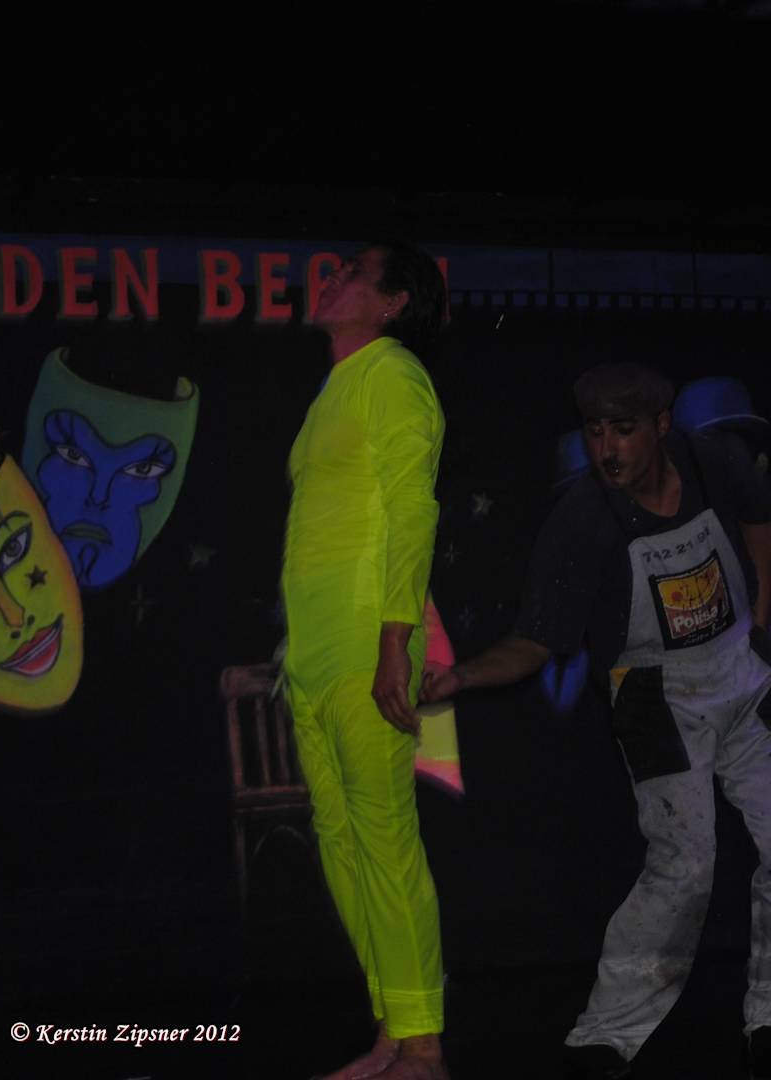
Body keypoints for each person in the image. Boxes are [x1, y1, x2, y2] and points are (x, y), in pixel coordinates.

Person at [422, 362, 771, 1080]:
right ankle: (606, 1035)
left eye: (623, 430)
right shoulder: (581, 521)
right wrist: (460, 677)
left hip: (744, 679)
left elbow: (761, 514)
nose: (607, 449)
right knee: (684, 867)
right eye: (595, 431)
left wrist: (758, 619)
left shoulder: (711, 462)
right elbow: (535, 641)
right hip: (651, 697)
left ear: (661, 427)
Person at [281, 241, 450, 1080]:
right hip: (313, 650)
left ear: (391, 303)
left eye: (352, 273)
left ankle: (424, 1047)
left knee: (384, 840)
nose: (332, 277)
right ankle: (393, 1028)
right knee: (339, 841)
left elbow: (411, 508)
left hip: (361, 639)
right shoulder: (336, 388)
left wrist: (392, 642)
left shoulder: (393, 374)